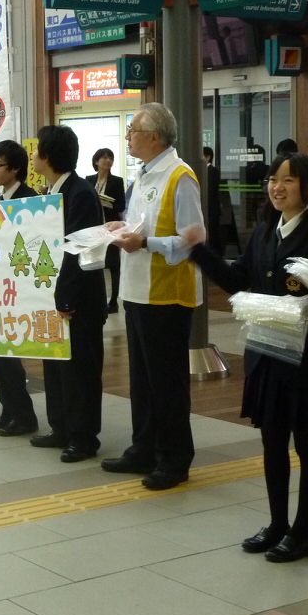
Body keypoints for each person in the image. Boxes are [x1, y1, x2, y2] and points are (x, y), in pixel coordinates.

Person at [184, 153, 308, 562]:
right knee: (272, 444)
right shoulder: (266, 231)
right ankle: (277, 524)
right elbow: (239, 282)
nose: (277, 187)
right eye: (273, 179)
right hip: (266, 355)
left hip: (304, 361)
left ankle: (302, 531)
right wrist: (199, 252)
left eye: (287, 181)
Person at [102, 102, 204, 491]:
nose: (127, 137)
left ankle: (175, 458)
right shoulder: (141, 176)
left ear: (155, 137)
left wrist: (144, 241)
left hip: (168, 294)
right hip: (138, 290)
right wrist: (121, 227)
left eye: (133, 130)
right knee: (142, 379)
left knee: (167, 382)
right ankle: (143, 447)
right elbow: (141, 225)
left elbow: (194, 238)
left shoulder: (181, 177)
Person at [28, 125, 105, 462]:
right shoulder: (52, 191)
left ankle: (83, 437)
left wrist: (67, 297)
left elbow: (79, 251)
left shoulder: (80, 194)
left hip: (79, 300)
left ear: (48, 156)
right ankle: (61, 427)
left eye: (37, 149)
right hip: (57, 295)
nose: (32, 155)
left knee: (80, 371)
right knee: (57, 365)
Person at [0, 139, 39, 436]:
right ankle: (8, 410)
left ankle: (24, 416)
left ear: (15, 168)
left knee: (9, 355)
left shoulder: (28, 200)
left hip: (20, 289)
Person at [85, 148, 125, 312]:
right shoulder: (88, 180)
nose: (107, 160)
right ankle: (97, 299)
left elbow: (121, 205)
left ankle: (114, 301)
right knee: (95, 264)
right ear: (96, 161)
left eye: (110, 158)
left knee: (113, 265)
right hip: (94, 227)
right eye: (103, 157)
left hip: (111, 226)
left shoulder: (117, 181)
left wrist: (106, 203)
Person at [202, 146, 222, 255]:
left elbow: (210, 191)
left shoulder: (212, 171)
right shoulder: (202, 171)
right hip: (206, 209)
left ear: (208, 157)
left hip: (211, 209)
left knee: (213, 234)